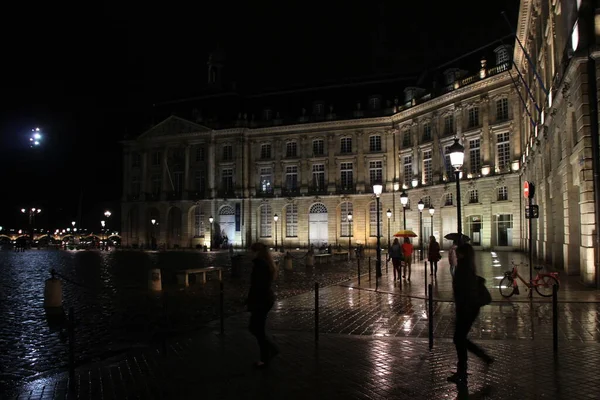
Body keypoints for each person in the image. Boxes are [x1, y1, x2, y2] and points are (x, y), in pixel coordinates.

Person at [448, 243, 493, 384]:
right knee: (460, 338)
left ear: (462, 254)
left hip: (467, 309)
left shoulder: (463, 269)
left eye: (458, 253)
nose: (456, 255)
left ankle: (462, 371)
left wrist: (460, 310)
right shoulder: (466, 266)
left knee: (459, 339)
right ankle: (482, 358)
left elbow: (463, 291)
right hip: (469, 308)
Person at [247, 242, 279, 368]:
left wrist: (251, 300)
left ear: (256, 252)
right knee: (257, 329)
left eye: (251, 251)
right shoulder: (265, 264)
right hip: (265, 300)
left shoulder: (260, 265)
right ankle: (268, 354)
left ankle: (268, 354)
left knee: (256, 329)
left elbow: (257, 286)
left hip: (261, 301)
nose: (250, 253)